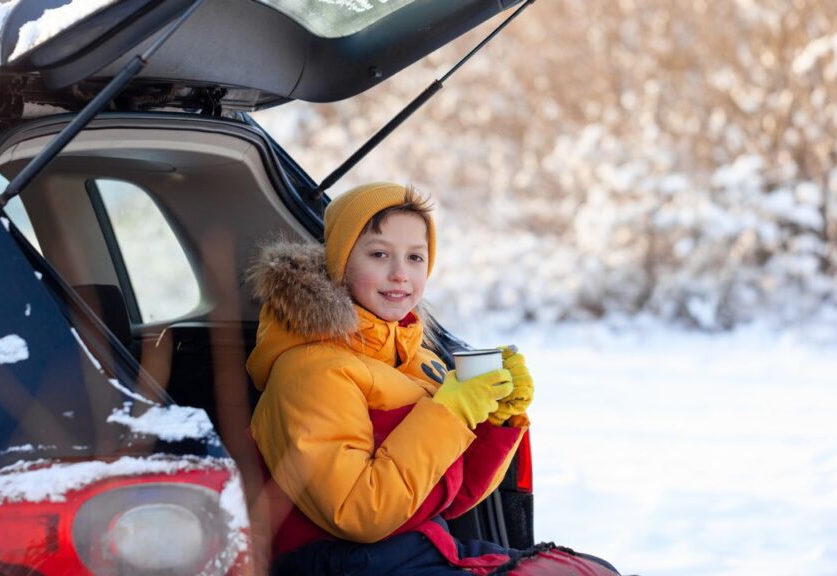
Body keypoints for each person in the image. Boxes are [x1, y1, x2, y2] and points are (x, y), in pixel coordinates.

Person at [246, 182, 620, 575]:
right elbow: (359, 513)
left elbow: (450, 497)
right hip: (341, 563)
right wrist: (451, 413)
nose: (399, 274)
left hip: (418, 548)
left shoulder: (415, 358)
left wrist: (496, 420)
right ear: (340, 262)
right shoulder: (310, 371)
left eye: (415, 258)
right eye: (379, 254)